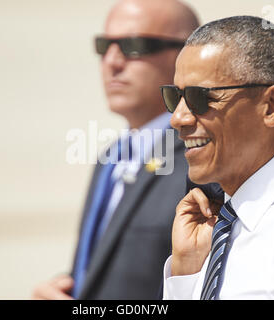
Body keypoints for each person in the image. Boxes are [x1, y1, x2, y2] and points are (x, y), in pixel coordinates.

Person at [32, 0, 213, 299]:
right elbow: (106, 268)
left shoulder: (203, 161)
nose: (112, 62)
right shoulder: (111, 158)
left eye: (134, 46)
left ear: (186, 58)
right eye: (105, 45)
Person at [161, 15, 274, 299]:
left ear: (273, 106)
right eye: (175, 97)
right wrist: (187, 273)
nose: (178, 118)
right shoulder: (210, 230)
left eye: (199, 97)